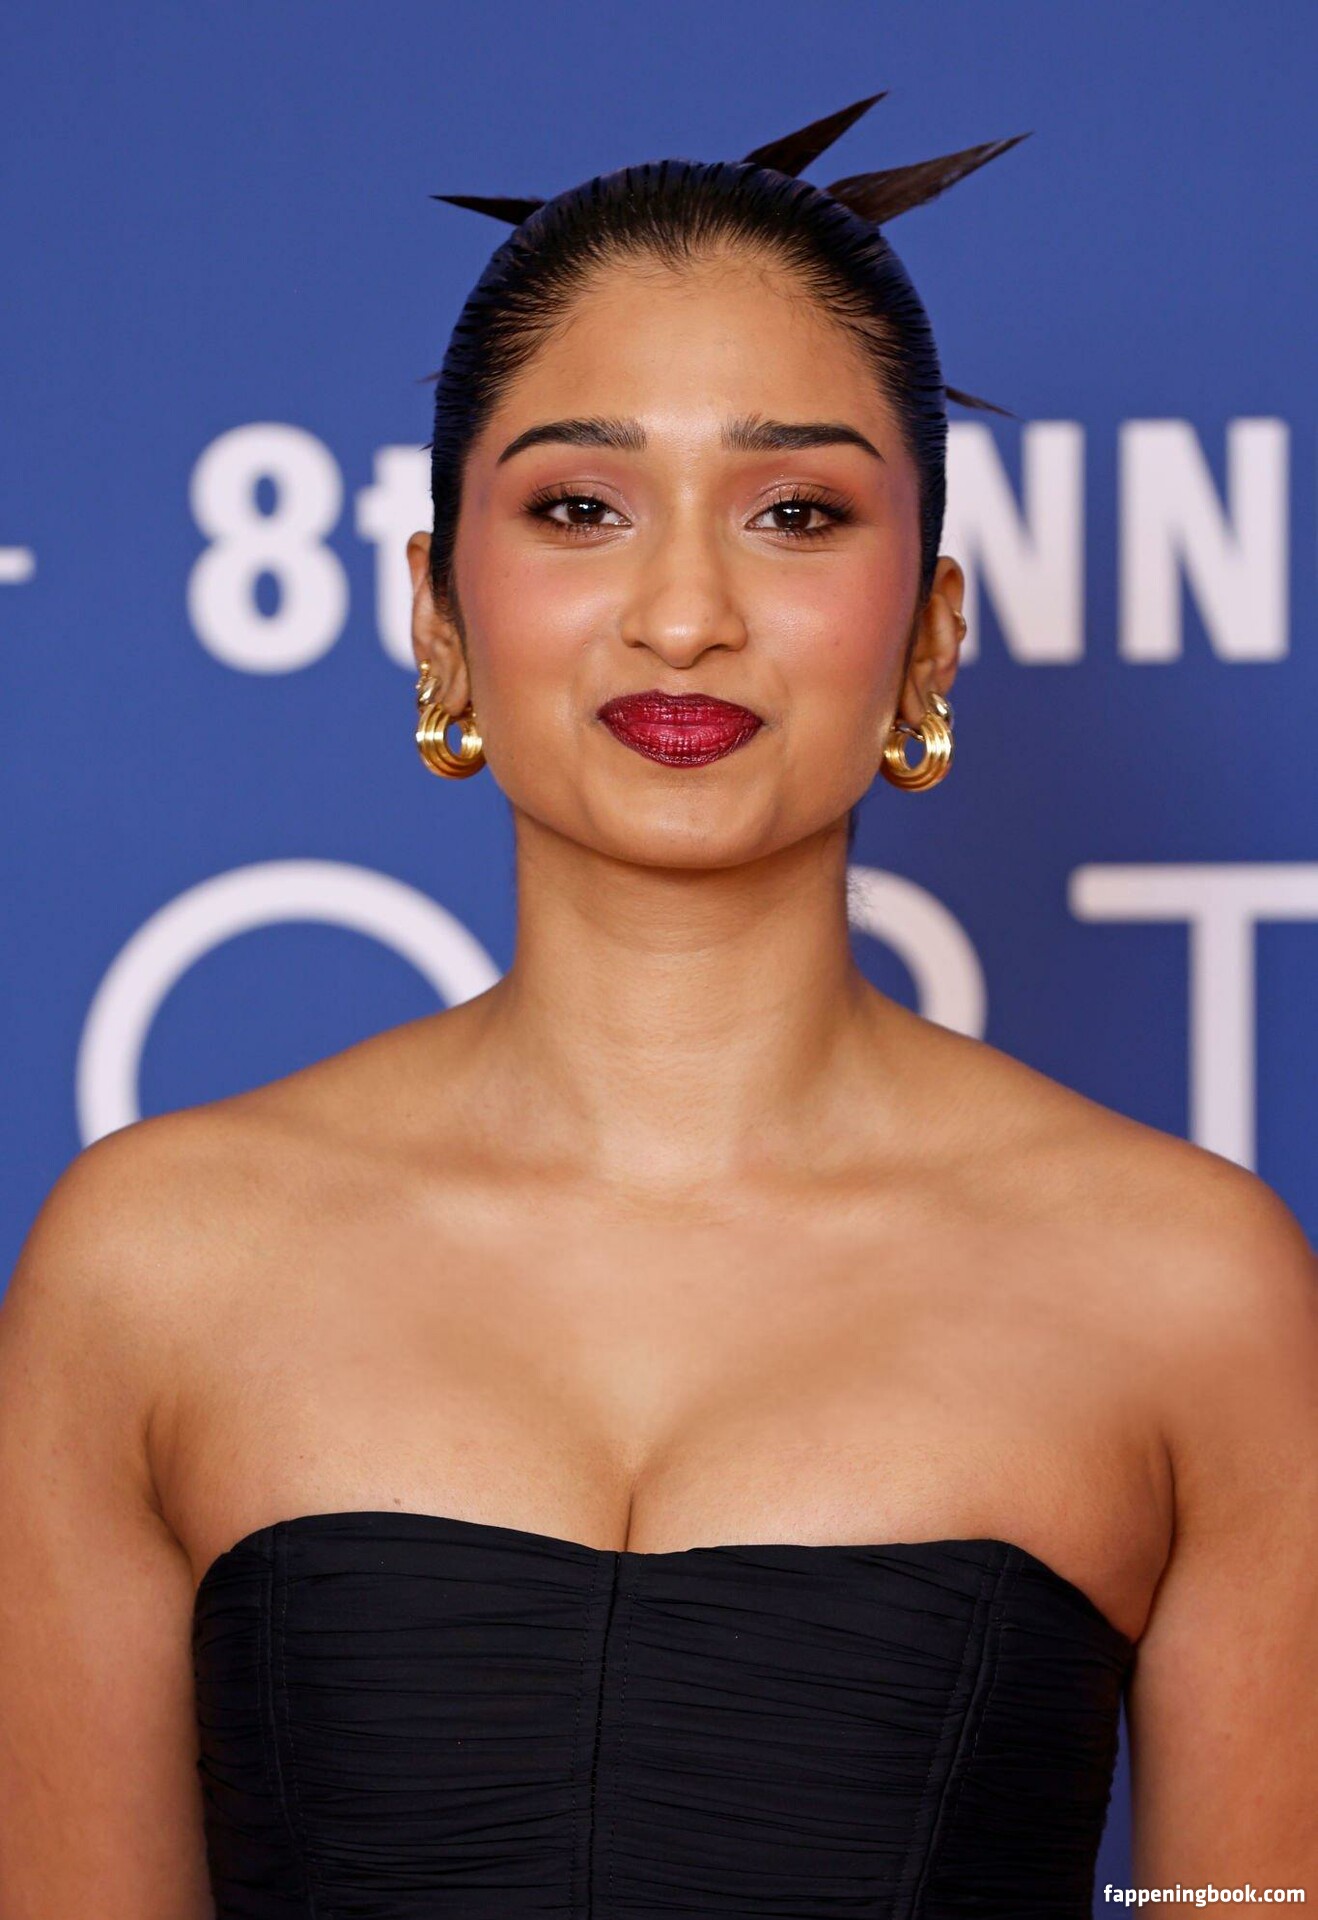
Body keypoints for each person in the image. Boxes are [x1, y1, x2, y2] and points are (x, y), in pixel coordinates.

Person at [0, 95, 1314, 1918]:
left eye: (793, 511)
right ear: (437, 615)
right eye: (579, 507)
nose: (683, 612)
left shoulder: (1188, 1291)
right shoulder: (149, 1268)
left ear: (928, 634)